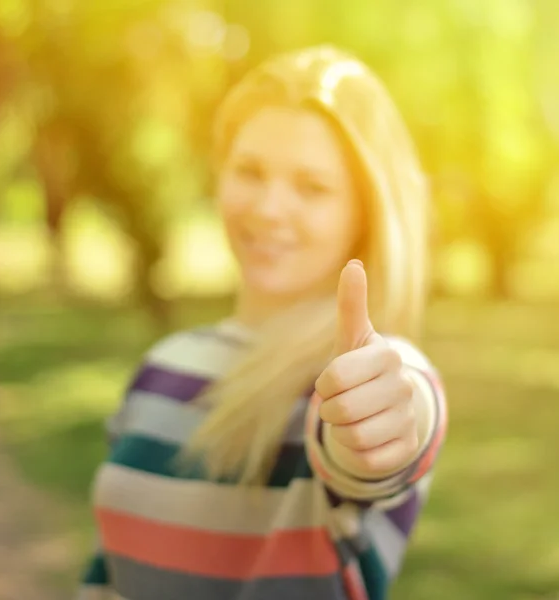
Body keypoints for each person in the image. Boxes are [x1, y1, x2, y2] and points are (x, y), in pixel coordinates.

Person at [77, 45, 447, 600]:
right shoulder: (163, 365)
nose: (270, 209)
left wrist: (387, 425)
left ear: (364, 213)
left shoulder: (365, 375)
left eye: (312, 187)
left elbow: (396, 422)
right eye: (249, 171)